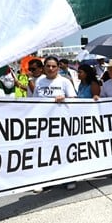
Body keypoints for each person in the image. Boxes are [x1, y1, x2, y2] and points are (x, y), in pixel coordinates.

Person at [31, 56, 78, 190]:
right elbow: (35, 101)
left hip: (62, 123)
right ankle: (45, 180)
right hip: (44, 123)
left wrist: (65, 98)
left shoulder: (65, 82)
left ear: (58, 67)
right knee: (45, 152)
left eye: (53, 66)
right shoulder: (40, 81)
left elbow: (74, 100)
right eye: (48, 66)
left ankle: (69, 178)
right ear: (44, 67)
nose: (51, 69)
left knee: (64, 150)